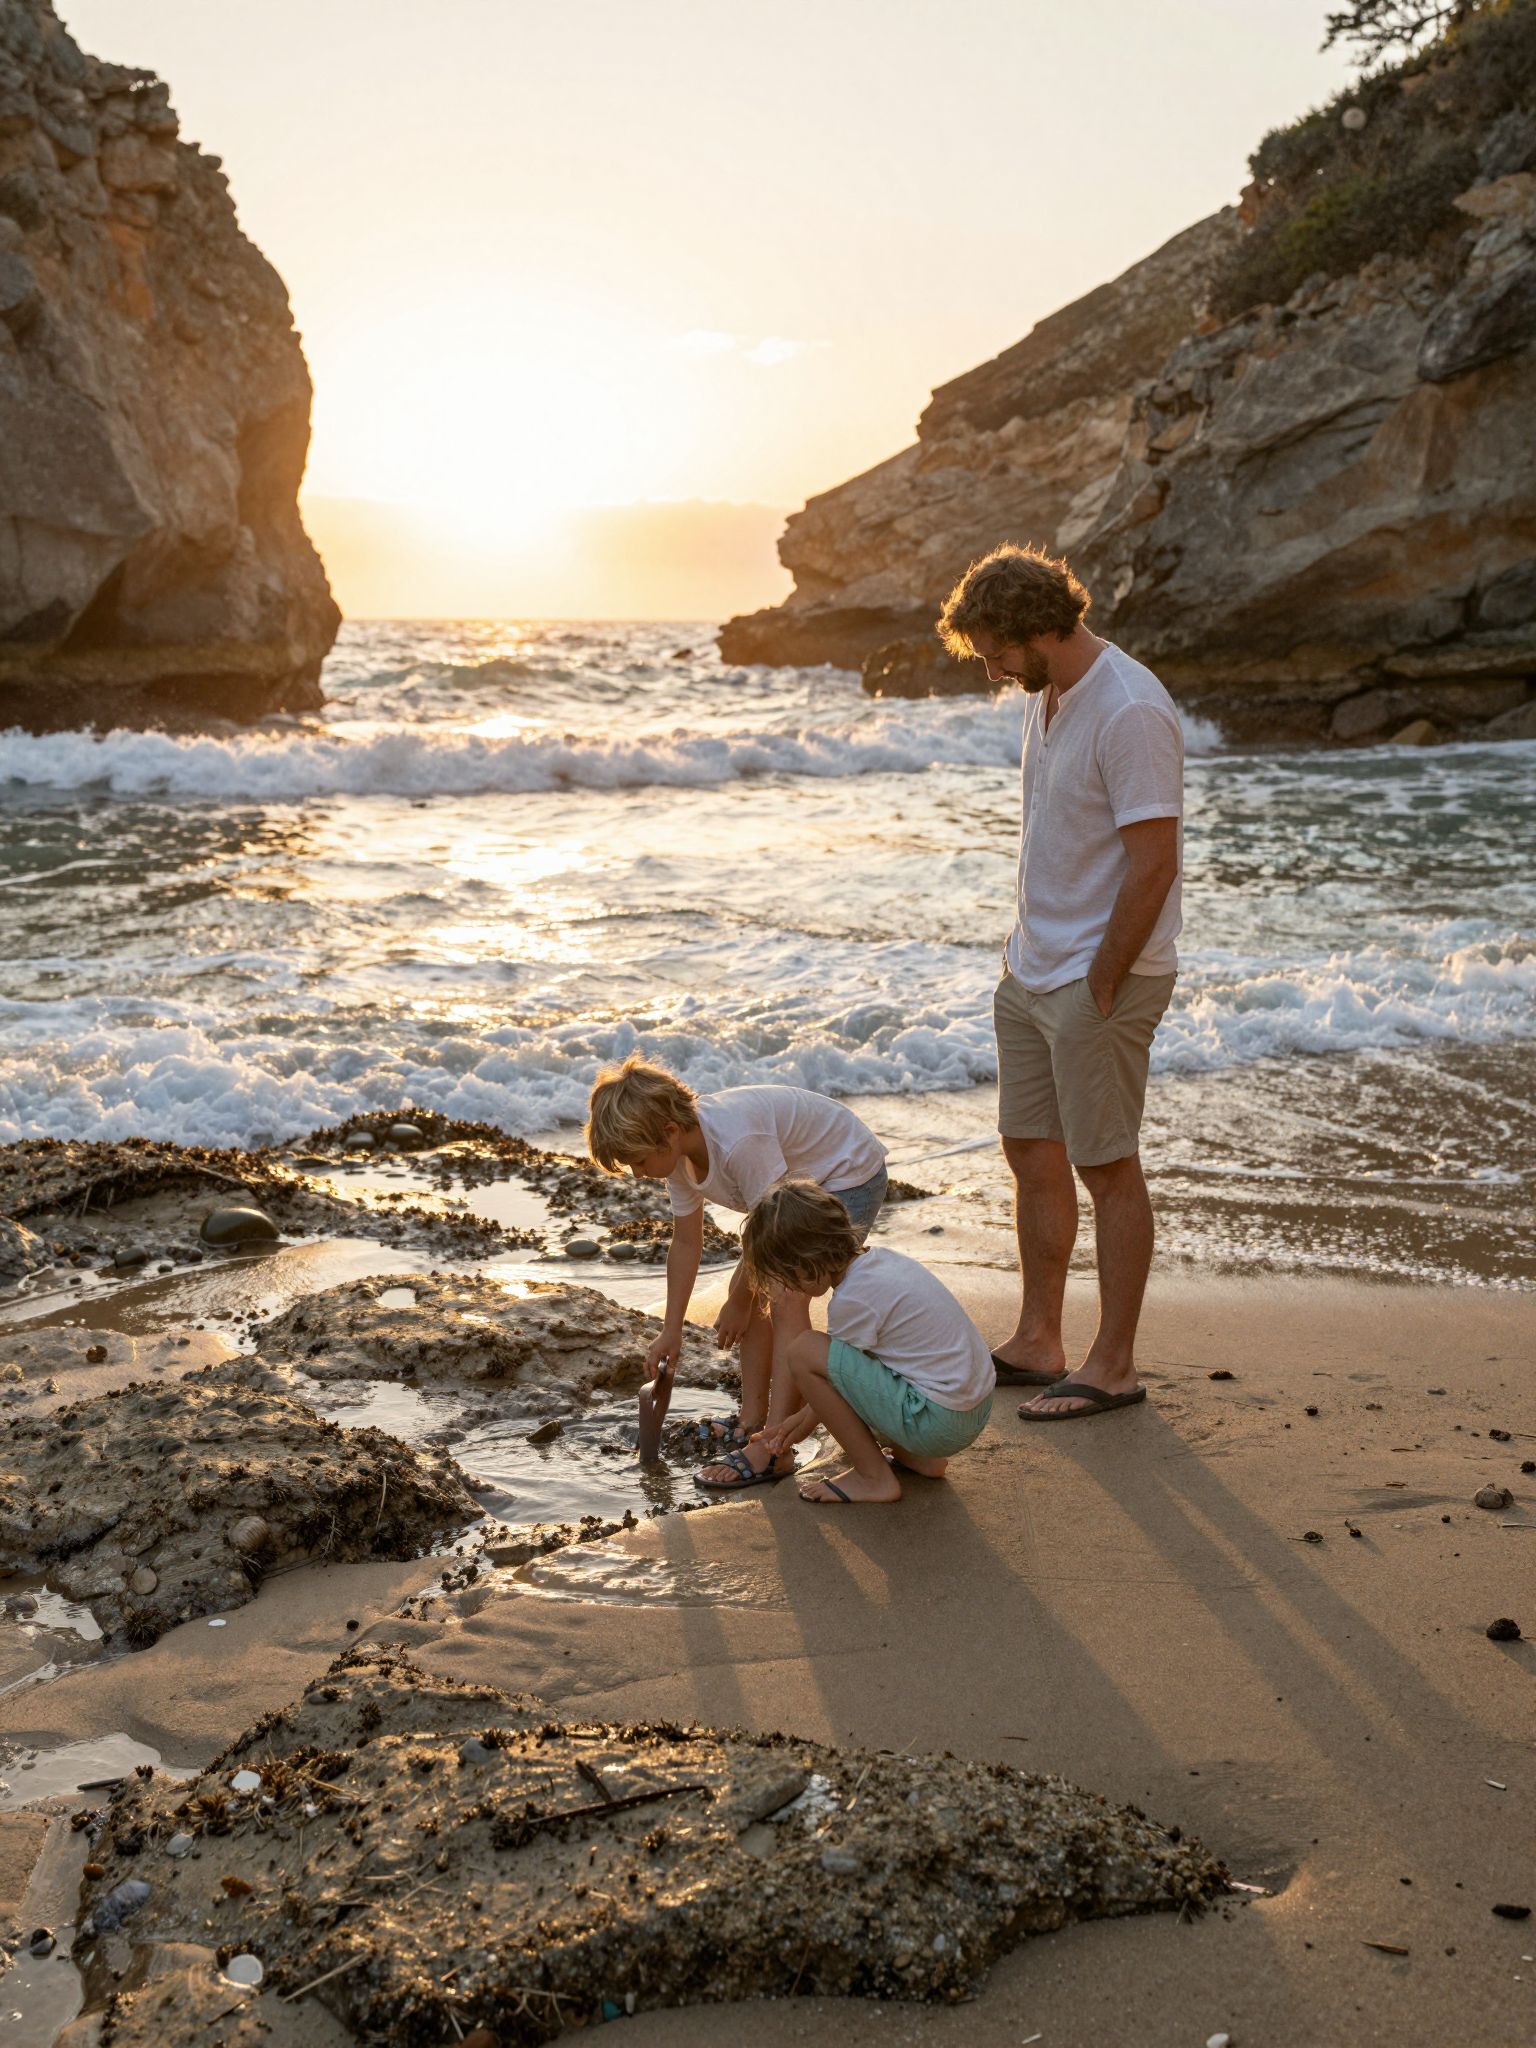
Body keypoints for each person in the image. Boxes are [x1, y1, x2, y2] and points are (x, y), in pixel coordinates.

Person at [937, 542, 1182, 1422]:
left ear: (1038, 627)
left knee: (1106, 1165)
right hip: (1033, 967)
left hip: (1098, 979)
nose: (994, 671)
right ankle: (1042, 1339)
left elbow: (1154, 863)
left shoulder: (1128, 709)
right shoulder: (1049, 697)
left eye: (997, 652)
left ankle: (1112, 1365)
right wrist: (1026, 960)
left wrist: (1103, 982)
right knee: (1029, 1150)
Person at [583, 1057, 887, 1485]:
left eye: (637, 1161)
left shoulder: (738, 1141)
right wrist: (672, 1329)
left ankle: (775, 1447)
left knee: (784, 1295)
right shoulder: (679, 1157)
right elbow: (687, 1242)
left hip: (846, 1173)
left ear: (668, 1131)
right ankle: (751, 1420)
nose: (637, 1173)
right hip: (790, 1196)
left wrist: (740, 1297)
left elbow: (774, 1228)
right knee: (753, 1287)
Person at [740, 1179, 995, 1504]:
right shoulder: (881, 1262)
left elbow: (837, 1387)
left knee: (805, 1352)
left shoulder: (852, 1301)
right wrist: (796, 1422)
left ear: (804, 1263)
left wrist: (795, 1427)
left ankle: (874, 1478)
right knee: (864, 1369)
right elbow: (865, 1378)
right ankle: (919, 1457)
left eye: (785, 1277)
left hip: (941, 1422)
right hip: (974, 1406)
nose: (788, 1288)